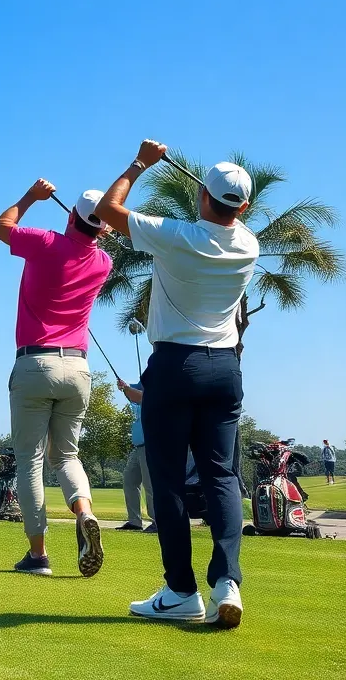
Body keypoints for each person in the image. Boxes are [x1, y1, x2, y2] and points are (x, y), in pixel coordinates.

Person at [96, 141, 258, 627]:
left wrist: (140, 163)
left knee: (166, 479)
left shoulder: (176, 235)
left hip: (175, 366)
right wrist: (221, 201)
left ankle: (181, 591)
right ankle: (228, 581)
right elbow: (228, 213)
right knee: (220, 475)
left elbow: (108, 210)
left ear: (202, 197)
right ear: (244, 208)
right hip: (226, 369)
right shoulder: (248, 243)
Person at [0, 180, 109, 577]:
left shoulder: (45, 243)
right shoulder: (103, 263)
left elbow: (0, 228)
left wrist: (29, 197)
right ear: (104, 228)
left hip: (34, 363)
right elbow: (88, 236)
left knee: (30, 460)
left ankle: (38, 554)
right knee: (67, 456)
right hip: (78, 368)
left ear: (71, 215)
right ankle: (84, 511)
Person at [116, 380, 156, 533]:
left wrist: (126, 389)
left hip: (151, 445)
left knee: (149, 484)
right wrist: (125, 388)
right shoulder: (138, 402)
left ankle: (157, 521)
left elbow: (140, 395)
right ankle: (134, 520)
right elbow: (133, 393)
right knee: (129, 480)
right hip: (138, 445)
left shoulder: (150, 399)